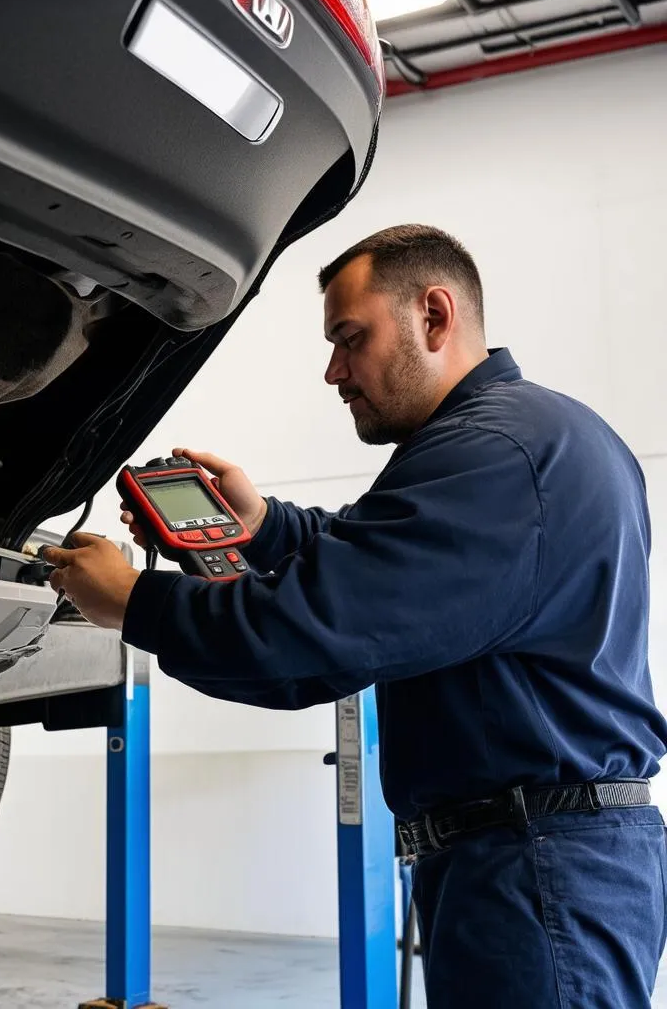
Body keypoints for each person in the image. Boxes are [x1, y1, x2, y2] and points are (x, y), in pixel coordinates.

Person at [41, 224, 667, 1008]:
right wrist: (265, 523)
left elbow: (307, 633)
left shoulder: (492, 456)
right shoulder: (538, 435)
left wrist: (136, 602)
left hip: (533, 868)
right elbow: (388, 556)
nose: (334, 371)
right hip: (541, 857)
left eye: (350, 338)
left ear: (434, 316)